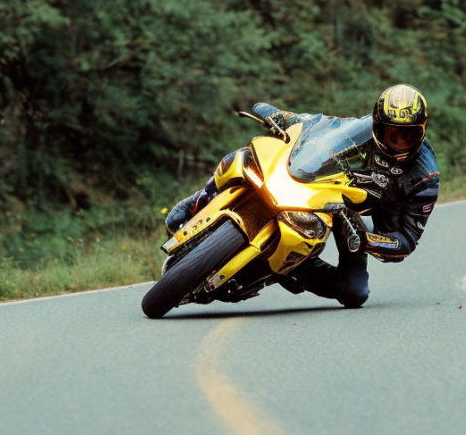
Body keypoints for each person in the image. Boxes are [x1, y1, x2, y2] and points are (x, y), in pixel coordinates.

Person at [164, 84, 439, 308]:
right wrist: (281, 116)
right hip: (330, 188)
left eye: (407, 136)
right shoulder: (364, 129)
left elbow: (407, 240)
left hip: (359, 214)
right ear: (377, 125)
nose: (397, 143)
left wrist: (369, 239)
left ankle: (297, 266)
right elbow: (322, 126)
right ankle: (202, 199)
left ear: (422, 131)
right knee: (248, 156)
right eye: (391, 134)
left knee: (354, 293)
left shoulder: (425, 178)